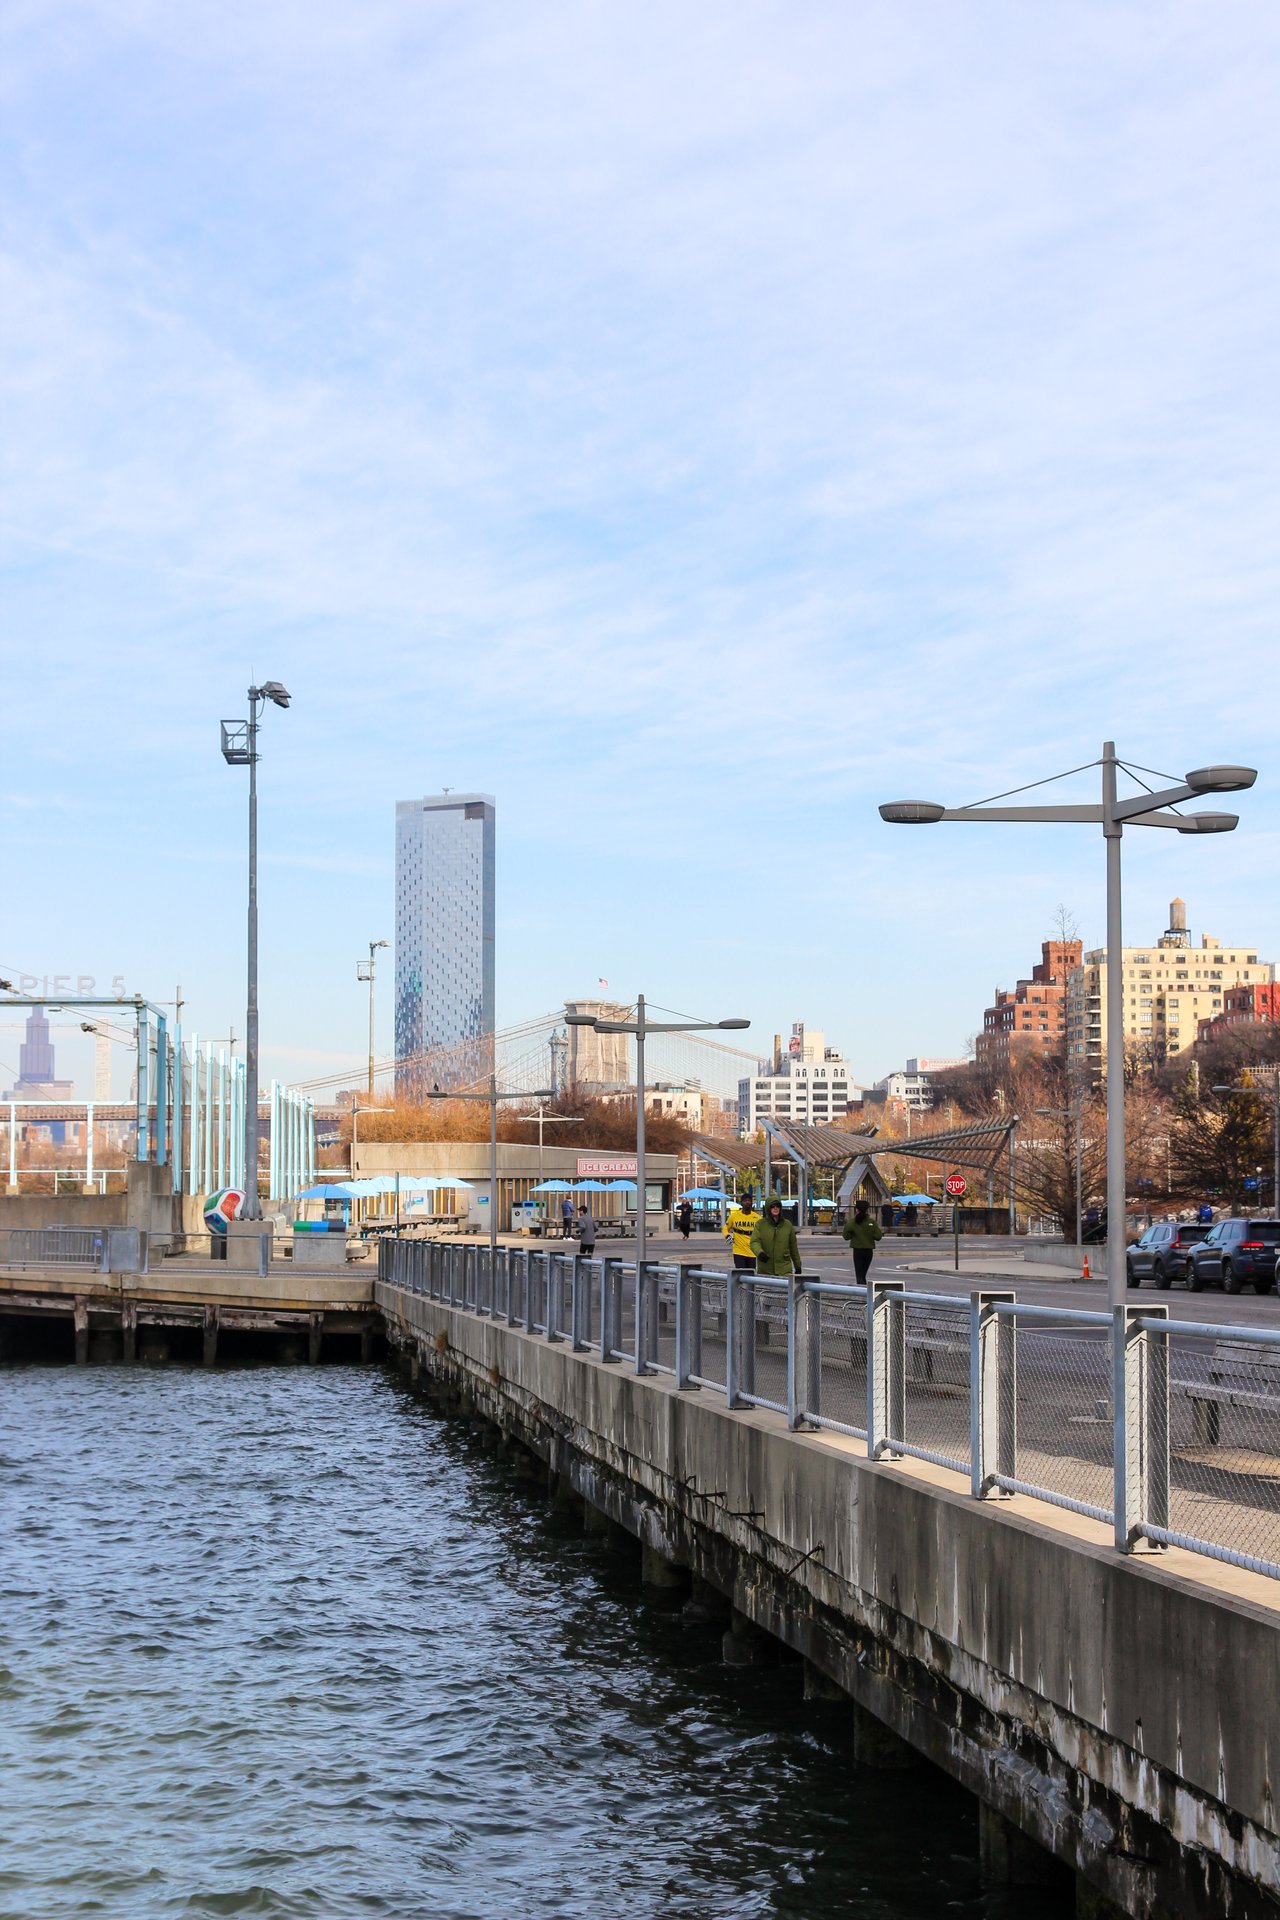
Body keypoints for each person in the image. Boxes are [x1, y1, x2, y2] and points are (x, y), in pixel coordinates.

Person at [750, 1194, 802, 1278]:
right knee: (765, 1291)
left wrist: (798, 1266)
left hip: (784, 1270)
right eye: (772, 1206)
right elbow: (754, 1242)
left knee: (784, 1290)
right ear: (767, 1208)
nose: (775, 1208)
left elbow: (793, 1248)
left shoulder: (787, 1225)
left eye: (778, 1206)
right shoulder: (760, 1224)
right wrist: (760, 1253)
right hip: (765, 1270)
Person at [843, 1198, 884, 1284]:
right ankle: (864, 1288)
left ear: (856, 1209)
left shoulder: (852, 1222)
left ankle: (862, 1290)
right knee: (863, 1273)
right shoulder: (871, 1222)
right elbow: (878, 1236)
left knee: (859, 1274)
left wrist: (853, 1235)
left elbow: (846, 1236)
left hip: (857, 1250)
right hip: (868, 1250)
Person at [724, 1191, 762, 1271]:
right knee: (740, 1273)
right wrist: (727, 1236)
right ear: (741, 1203)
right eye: (745, 1201)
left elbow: (763, 1232)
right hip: (739, 1250)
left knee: (751, 1275)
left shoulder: (758, 1218)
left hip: (752, 1251)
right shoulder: (734, 1216)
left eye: (749, 1201)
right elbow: (725, 1228)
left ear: (752, 1202)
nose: (747, 1202)